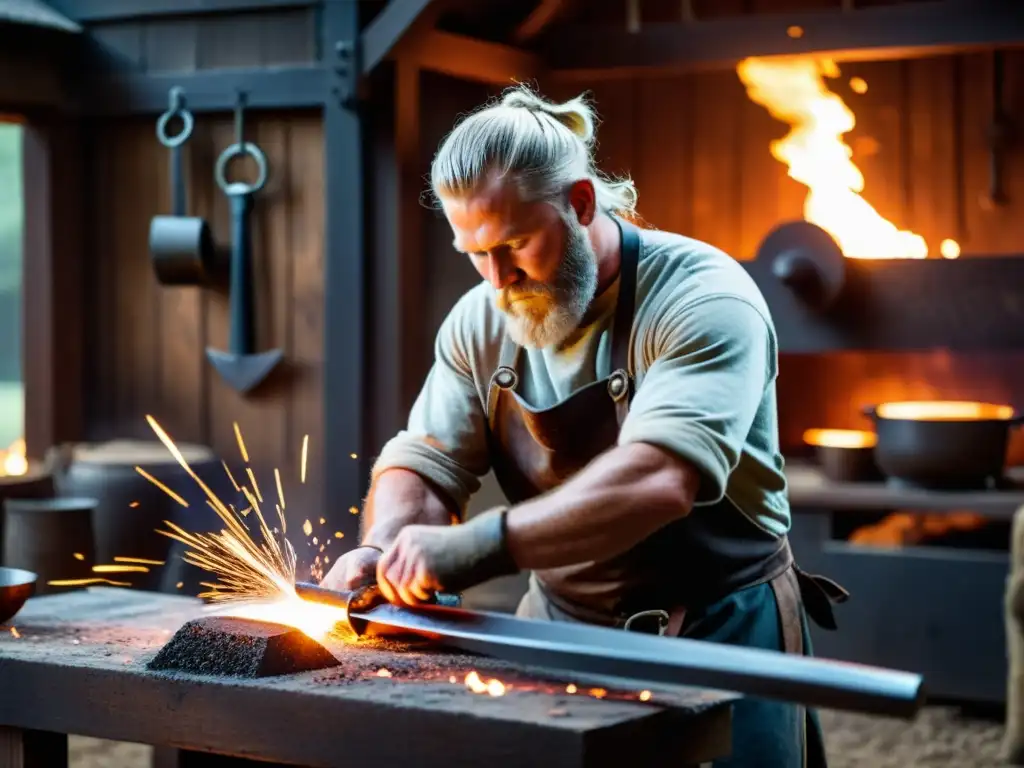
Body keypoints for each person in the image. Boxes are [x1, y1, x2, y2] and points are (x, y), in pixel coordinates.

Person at [322, 84, 846, 768]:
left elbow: (658, 479)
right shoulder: (482, 319)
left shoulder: (703, 299)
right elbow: (426, 461)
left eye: (514, 244)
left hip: (720, 629)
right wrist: (386, 550)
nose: (497, 278)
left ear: (581, 203)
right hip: (561, 629)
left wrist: (479, 547)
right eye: (473, 253)